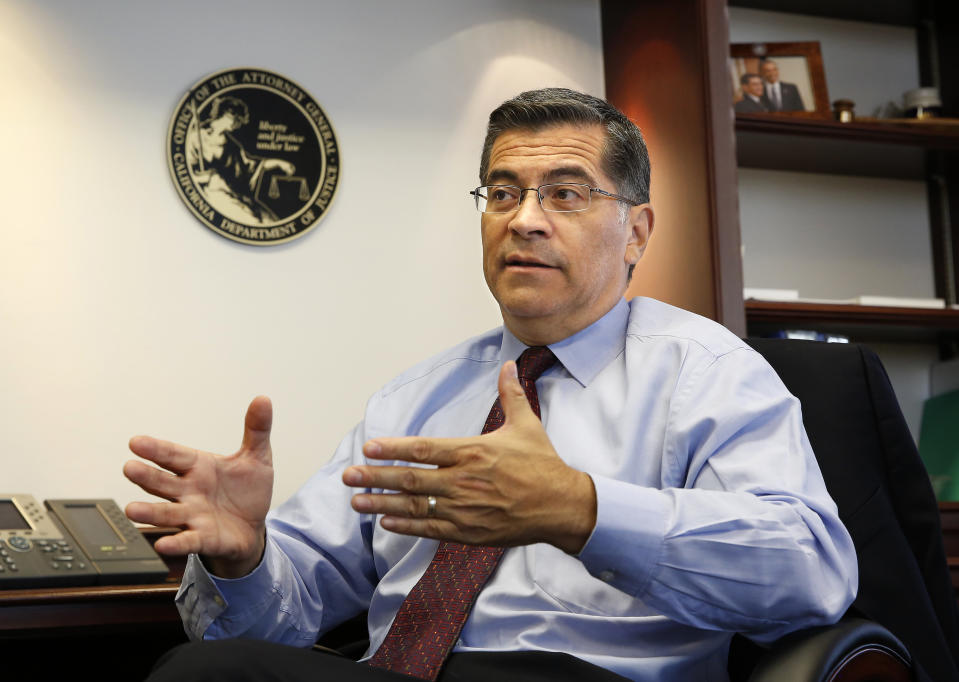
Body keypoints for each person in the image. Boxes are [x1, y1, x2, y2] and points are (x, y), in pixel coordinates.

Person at [124, 88, 857, 681]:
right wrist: (245, 557)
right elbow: (282, 619)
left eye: (566, 195)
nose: (525, 220)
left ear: (636, 232)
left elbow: (809, 574)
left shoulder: (706, 374)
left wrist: (580, 510)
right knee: (209, 667)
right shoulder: (419, 398)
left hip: (587, 677)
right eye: (503, 193)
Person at [187, 95, 296, 225]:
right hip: (217, 194)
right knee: (255, 223)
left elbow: (250, 166)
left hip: (239, 194)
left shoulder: (232, 145)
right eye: (239, 120)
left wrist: (278, 163)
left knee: (271, 221)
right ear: (229, 116)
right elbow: (188, 175)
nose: (239, 125)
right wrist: (209, 178)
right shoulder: (196, 138)